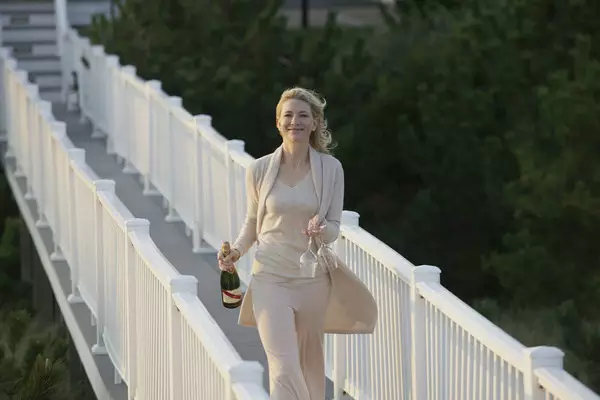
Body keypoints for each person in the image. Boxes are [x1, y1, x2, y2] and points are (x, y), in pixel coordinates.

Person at [218, 87, 376, 400]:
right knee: (283, 365)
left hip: (312, 280)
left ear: (315, 123)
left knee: (310, 363)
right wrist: (236, 251)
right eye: (288, 115)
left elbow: (334, 227)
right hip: (270, 277)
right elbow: (253, 222)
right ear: (278, 123)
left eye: (303, 115)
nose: (295, 121)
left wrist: (321, 230)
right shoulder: (259, 170)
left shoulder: (331, 169)